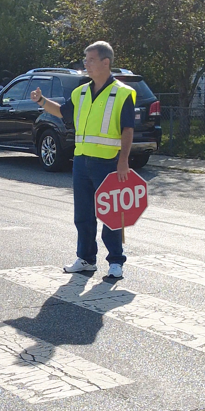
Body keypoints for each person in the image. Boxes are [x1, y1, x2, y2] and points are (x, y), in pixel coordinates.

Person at [30, 41, 135, 280]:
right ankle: (86, 259)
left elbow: (128, 129)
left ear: (105, 62)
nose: (85, 64)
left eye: (90, 59)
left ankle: (116, 262)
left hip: (108, 162)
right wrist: (42, 101)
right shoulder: (82, 91)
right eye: (85, 60)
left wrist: (123, 161)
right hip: (81, 161)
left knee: (111, 213)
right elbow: (64, 112)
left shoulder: (122, 93)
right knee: (84, 214)